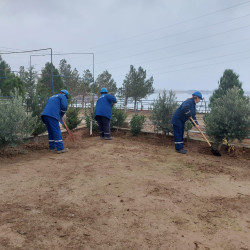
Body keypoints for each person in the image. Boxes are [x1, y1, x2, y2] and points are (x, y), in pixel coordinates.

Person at [41, 89, 69, 154]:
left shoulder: (52, 97)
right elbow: (64, 107)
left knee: (51, 131)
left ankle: (52, 147)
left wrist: (59, 115)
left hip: (45, 115)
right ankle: (60, 148)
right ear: (65, 95)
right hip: (52, 115)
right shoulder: (62, 96)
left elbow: (52, 106)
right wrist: (61, 115)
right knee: (56, 130)